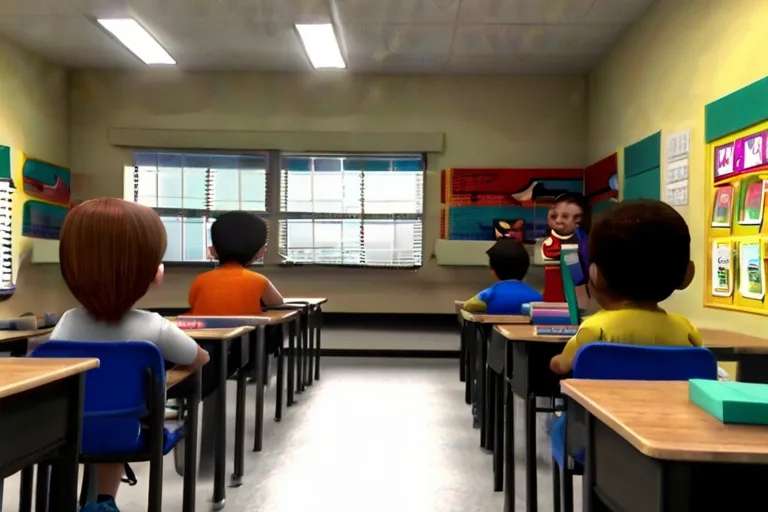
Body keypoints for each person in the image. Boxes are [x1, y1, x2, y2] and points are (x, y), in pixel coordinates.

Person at [51, 198, 210, 512]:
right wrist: (163, 376)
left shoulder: (68, 321)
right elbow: (199, 358)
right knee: (122, 420)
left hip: (64, 433)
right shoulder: (155, 326)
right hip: (128, 435)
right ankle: (104, 502)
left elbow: (55, 366)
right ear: (152, 273)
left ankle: (91, 502)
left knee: (100, 418)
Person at [549, 199, 700, 376]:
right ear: (686, 276)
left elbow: (563, 365)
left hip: (601, 403)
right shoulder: (685, 328)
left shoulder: (594, 327)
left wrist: (555, 361)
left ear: (596, 275)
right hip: (672, 404)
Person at [187, 211, 283, 315]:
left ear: (212, 250)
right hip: (245, 330)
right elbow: (279, 305)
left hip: (201, 330)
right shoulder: (260, 281)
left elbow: (193, 303)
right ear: (261, 251)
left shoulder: (200, 280)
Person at [463, 238, 542, 315]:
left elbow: (468, 306)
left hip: (494, 327)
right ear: (526, 269)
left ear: (493, 271)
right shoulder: (535, 296)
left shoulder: (490, 294)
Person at [541, 193, 590, 301]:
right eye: (554, 215)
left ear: (578, 220)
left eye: (565, 217)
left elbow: (577, 279)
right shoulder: (550, 240)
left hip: (571, 301)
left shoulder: (578, 243)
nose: (558, 221)